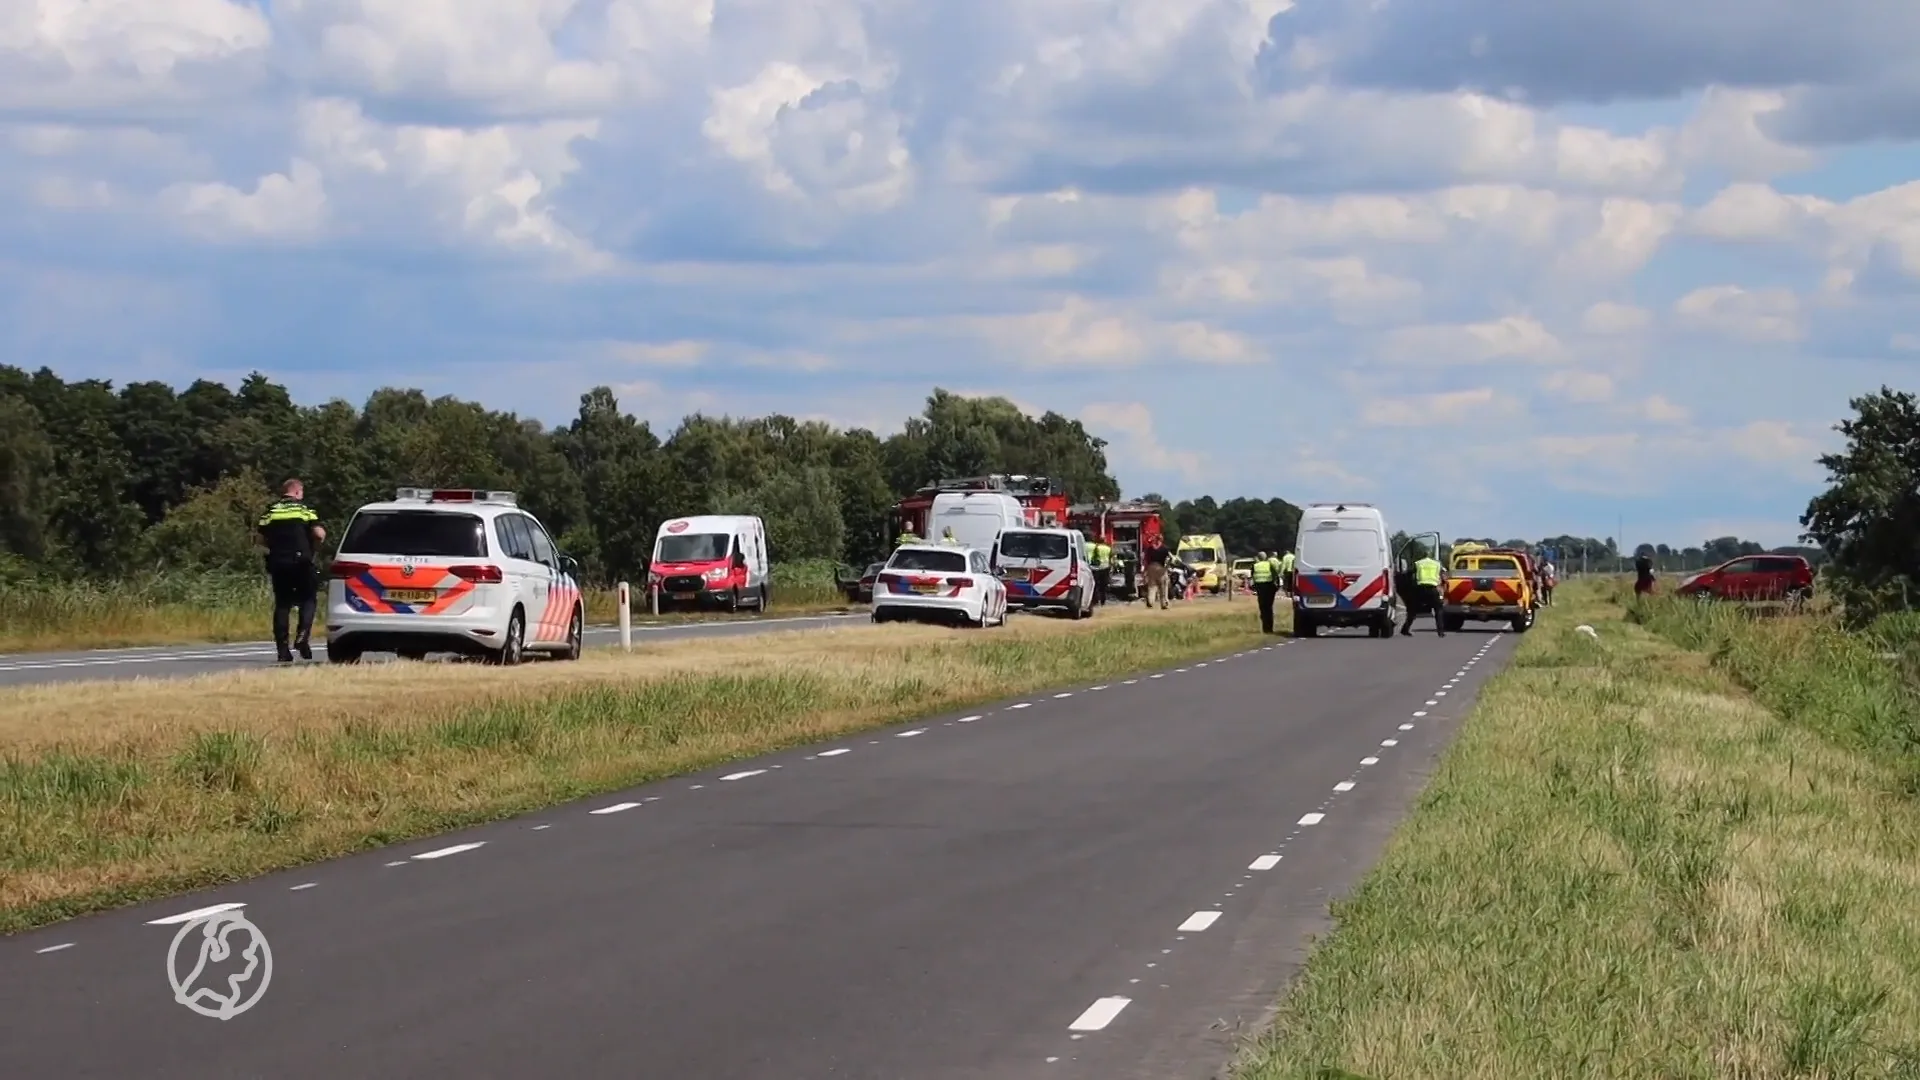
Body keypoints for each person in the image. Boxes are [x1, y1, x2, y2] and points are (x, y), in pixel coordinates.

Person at [256, 478, 326, 662]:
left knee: (282, 604)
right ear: (296, 492)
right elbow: (319, 534)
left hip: (279, 562)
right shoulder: (304, 510)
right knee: (308, 599)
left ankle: (283, 650)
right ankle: (302, 637)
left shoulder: (271, 512)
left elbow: (260, 538)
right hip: (301, 561)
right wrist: (316, 547)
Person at [1400, 550, 1446, 637]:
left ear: (1422, 556)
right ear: (1431, 556)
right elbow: (1443, 575)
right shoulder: (1437, 564)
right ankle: (1440, 632)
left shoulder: (1418, 563)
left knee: (1412, 611)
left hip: (1420, 589)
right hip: (1432, 589)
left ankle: (1405, 629)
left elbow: (1408, 574)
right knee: (1438, 610)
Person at [1250, 550, 1280, 634]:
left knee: (1263, 608)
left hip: (1260, 588)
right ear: (1266, 557)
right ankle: (1269, 628)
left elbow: (1252, 577)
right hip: (1269, 587)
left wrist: (1253, 587)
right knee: (1269, 608)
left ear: (1258, 558)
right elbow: (1275, 575)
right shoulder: (1269, 565)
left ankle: (1265, 628)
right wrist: (1277, 586)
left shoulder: (1255, 566)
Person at [1141, 536, 1171, 609]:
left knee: (1152, 586)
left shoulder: (1150, 548)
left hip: (1151, 567)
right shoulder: (1165, 548)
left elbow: (1145, 559)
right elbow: (1170, 558)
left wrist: (1145, 570)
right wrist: (1167, 566)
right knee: (1163, 586)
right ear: (1162, 539)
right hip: (1160, 567)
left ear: (1155, 540)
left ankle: (1150, 601)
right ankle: (1164, 603)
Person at [1088, 534, 1112, 606]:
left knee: (1096, 584)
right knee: (1104, 585)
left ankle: (1096, 600)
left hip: (1097, 568)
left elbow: (1094, 557)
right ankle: (1103, 600)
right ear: (1104, 540)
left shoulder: (1097, 547)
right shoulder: (1108, 548)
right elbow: (1110, 557)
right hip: (1106, 567)